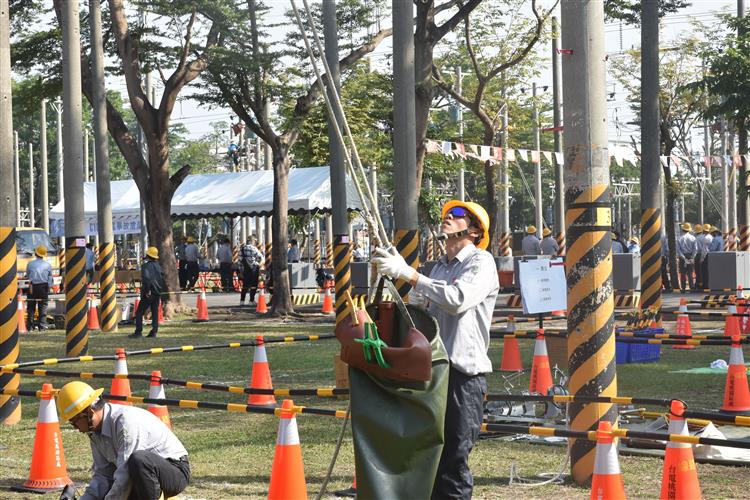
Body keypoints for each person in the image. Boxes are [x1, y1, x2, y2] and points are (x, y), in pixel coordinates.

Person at [372, 200, 499, 499]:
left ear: (474, 230)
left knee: (453, 462)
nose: (447, 218)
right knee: (429, 456)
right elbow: (421, 314)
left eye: (455, 216)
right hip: (432, 374)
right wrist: (393, 276)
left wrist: (410, 274)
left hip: (462, 378)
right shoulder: (438, 267)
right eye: (446, 215)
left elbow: (457, 299)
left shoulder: (481, 262)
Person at [56, 381, 190, 500]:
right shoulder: (95, 432)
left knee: (139, 460)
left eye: (74, 423)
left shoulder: (126, 422)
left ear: (89, 413)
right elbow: (103, 475)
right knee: (116, 486)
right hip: (139, 475)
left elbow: (125, 473)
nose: (78, 429)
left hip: (174, 469)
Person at [130, 246, 164, 338]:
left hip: (148, 293)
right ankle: (154, 331)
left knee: (139, 312)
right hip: (157, 292)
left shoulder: (145, 266)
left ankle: (138, 332)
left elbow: (146, 279)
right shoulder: (158, 266)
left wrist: (147, 290)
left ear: (148, 255)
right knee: (155, 311)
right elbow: (162, 278)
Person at [26, 245, 52, 331]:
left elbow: (28, 275)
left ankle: (30, 326)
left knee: (31, 307)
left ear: (35, 253)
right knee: (43, 306)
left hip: (32, 286)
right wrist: (48, 287)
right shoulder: (48, 265)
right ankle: (42, 326)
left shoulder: (30, 264)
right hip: (43, 287)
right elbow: (50, 278)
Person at [239, 237, 263, 306]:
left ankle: (242, 301)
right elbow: (261, 257)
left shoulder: (242, 249)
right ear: (252, 242)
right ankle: (251, 300)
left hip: (246, 270)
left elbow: (240, 261)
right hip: (254, 269)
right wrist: (258, 265)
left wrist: (241, 271)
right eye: (255, 242)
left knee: (245, 285)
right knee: (254, 285)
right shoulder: (254, 248)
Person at [677, 222, 697, 292]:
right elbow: (695, 249)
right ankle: (691, 287)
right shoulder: (693, 238)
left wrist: (684, 258)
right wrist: (692, 258)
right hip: (690, 256)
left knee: (683, 273)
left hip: (683, 257)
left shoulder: (679, 238)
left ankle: (683, 288)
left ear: (683, 230)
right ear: (689, 230)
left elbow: (678, 251)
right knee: (690, 273)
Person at [693, 224, 706, 289]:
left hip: (698, 255)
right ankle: (703, 284)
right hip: (705, 254)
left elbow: (696, 249)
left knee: (698, 271)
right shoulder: (705, 237)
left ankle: (699, 285)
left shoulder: (697, 238)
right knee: (704, 271)